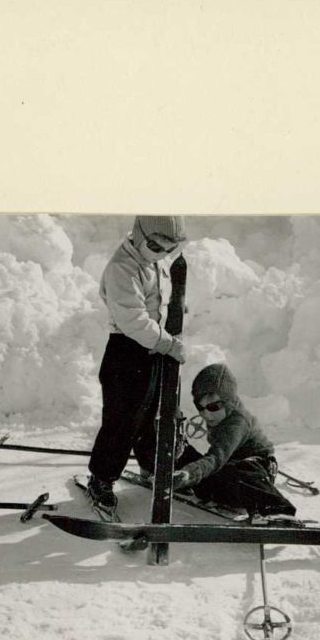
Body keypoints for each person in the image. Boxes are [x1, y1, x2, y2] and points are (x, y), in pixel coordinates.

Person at [83, 215, 189, 517]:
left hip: (150, 348)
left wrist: (171, 313)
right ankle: (101, 478)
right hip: (126, 353)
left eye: (168, 249)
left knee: (150, 415)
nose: (161, 254)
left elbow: (155, 297)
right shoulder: (122, 268)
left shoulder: (153, 260)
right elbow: (133, 319)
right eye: (155, 247)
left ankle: (150, 466)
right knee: (122, 420)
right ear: (139, 236)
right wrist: (167, 343)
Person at [164, 362, 297, 523]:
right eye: (200, 407)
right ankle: (171, 469)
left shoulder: (236, 423)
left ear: (229, 403)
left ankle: (278, 509)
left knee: (237, 471)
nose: (206, 414)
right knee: (203, 474)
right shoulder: (220, 416)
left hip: (256, 468)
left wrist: (190, 473)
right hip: (229, 467)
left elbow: (216, 457)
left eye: (213, 407)